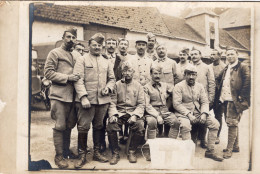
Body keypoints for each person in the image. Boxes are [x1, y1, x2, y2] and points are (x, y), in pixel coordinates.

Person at [73, 33, 115, 168]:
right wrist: (83, 97)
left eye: (99, 45)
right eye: (94, 45)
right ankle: (82, 155)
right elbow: (78, 79)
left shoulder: (106, 61)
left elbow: (112, 79)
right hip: (86, 101)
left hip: (102, 101)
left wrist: (108, 88)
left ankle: (96, 152)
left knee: (98, 126)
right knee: (83, 127)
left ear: (102, 47)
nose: (97, 47)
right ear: (89, 46)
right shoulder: (82, 60)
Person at [44, 27, 79, 169]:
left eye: (73, 38)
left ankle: (66, 150)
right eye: (68, 37)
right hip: (59, 95)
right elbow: (48, 73)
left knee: (69, 125)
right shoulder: (54, 53)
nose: (71, 40)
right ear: (63, 38)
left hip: (73, 96)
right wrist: (67, 77)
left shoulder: (76, 55)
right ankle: (59, 156)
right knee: (60, 126)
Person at [173, 64, 223, 162]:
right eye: (189, 74)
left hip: (198, 112)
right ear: (185, 75)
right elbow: (177, 104)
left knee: (215, 124)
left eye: (193, 74)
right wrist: (188, 114)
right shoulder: (178, 86)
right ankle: (187, 153)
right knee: (186, 126)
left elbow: (204, 101)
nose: (191, 77)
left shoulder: (200, 86)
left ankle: (210, 151)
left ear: (196, 75)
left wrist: (204, 113)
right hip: (183, 114)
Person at [107, 61, 145, 165]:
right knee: (111, 126)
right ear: (122, 72)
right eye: (125, 70)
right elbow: (112, 102)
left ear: (133, 72)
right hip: (119, 112)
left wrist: (135, 115)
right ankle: (115, 153)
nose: (127, 73)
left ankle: (132, 151)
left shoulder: (138, 86)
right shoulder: (116, 85)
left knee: (140, 126)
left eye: (129, 70)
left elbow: (141, 104)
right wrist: (113, 114)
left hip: (133, 112)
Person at [215, 47, 250, 159]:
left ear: (237, 54)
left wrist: (241, 96)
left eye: (231, 54)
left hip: (234, 100)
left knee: (231, 123)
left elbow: (248, 81)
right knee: (232, 123)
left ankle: (229, 149)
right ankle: (235, 146)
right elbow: (218, 78)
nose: (229, 56)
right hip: (225, 99)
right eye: (227, 54)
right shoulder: (226, 67)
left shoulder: (242, 67)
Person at [144, 65, 180, 160]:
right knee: (152, 122)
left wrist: (170, 94)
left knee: (175, 122)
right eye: (155, 73)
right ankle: (151, 151)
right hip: (151, 111)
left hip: (165, 111)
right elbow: (147, 105)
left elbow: (175, 90)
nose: (158, 76)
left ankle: (169, 149)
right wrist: (157, 116)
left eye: (160, 73)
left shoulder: (165, 85)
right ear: (151, 74)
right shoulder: (146, 87)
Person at [190, 47, 215, 148]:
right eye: (192, 55)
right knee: (194, 118)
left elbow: (212, 83)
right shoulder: (189, 66)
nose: (193, 56)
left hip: (204, 98)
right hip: (192, 98)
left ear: (200, 55)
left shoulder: (207, 67)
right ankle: (193, 139)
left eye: (196, 54)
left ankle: (202, 139)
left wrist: (211, 98)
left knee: (203, 118)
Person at [210, 49, 226, 144]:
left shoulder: (224, 67)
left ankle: (217, 136)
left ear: (219, 56)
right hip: (209, 94)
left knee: (218, 116)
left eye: (214, 54)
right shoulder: (208, 66)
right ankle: (200, 135)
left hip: (219, 96)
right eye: (211, 54)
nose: (211, 56)